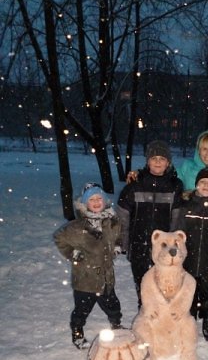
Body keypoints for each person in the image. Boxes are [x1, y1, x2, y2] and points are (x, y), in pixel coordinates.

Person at [54, 183, 124, 349]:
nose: (96, 202)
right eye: (91, 199)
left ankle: (116, 325)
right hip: (85, 279)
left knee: (112, 304)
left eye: (99, 198)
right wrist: (73, 254)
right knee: (82, 308)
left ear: (105, 201)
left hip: (106, 276)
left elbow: (119, 235)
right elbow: (59, 238)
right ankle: (77, 332)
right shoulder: (78, 226)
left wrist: (117, 246)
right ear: (85, 203)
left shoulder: (112, 221)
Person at [117, 140, 184, 306]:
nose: (158, 162)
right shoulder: (135, 185)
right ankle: (144, 315)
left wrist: (175, 246)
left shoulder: (175, 186)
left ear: (168, 162)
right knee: (143, 286)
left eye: (162, 158)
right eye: (154, 158)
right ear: (148, 161)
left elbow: (177, 219)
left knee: (162, 286)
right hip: (139, 243)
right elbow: (122, 216)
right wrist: (123, 243)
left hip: (163, 249)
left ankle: (160, 319)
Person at [173, 167, 208, 342]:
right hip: (188, 260)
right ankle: (187, 322)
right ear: (196, 185)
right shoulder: (187, 206)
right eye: (202, 182)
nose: (206, 185)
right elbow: (178, 233)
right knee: (188, 293)